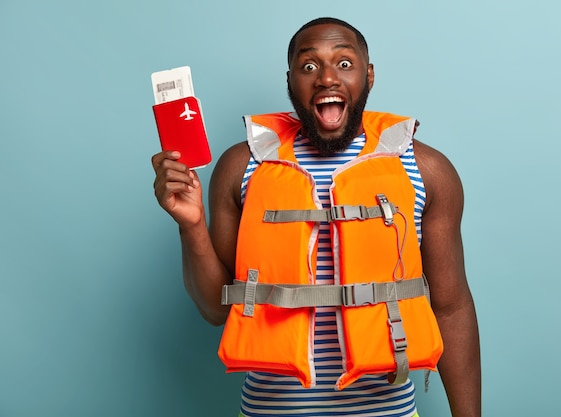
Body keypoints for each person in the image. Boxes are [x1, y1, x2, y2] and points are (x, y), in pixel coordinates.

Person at [152, 17, 481, 417]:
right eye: (309, 67)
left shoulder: (425, 169)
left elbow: (451, 308)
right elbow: (214, 308)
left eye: (344, 63)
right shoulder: (244, 166)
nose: (327, 78)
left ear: (369, 75)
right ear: (290, 81)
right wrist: (190, 225)